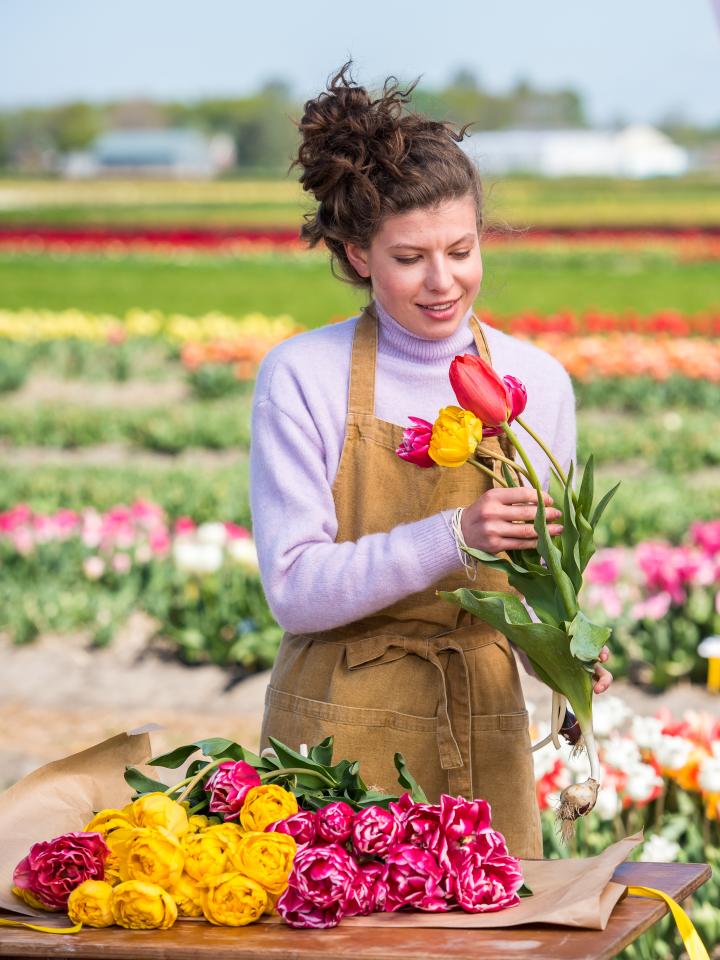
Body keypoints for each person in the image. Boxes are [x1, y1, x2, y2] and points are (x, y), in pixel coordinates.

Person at [249, 63, 611, 858]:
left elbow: (532, 583)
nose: (443, 282)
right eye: (410, 257)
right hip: (336, 730)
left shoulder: (537, 383)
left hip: (480, 722)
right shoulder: (301, 376)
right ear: (356, 254)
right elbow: (295, 591)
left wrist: (565, 651)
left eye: (462, 249)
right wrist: (453, 534)